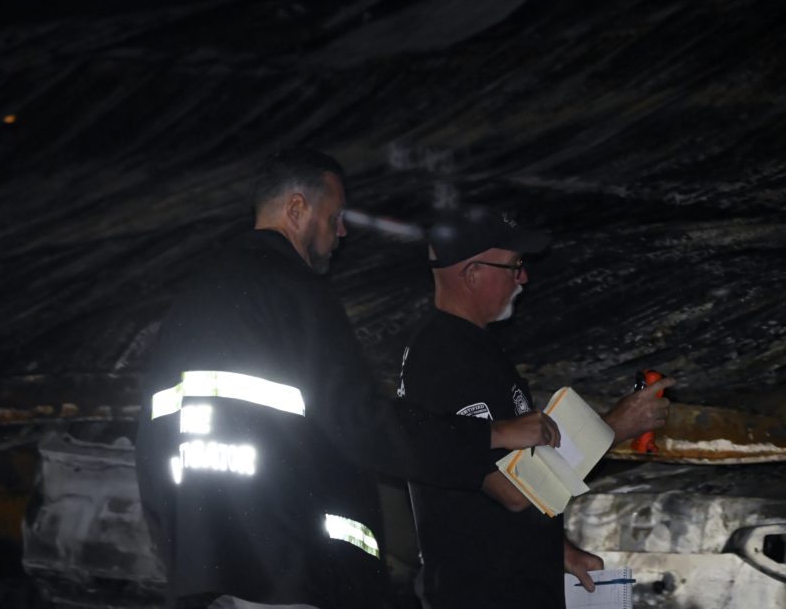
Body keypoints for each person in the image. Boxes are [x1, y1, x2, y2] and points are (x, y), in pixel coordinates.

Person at [135, 149, 562, 609]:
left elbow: (152, 437)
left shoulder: (193, 297)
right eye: (335, 216)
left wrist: (180, 552)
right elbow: (364, 423)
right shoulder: (296, 292)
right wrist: (491, 434)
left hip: (202, 572)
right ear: (296, 208)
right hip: (286, 572)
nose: (341, 232)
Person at [397, 205, 673, 609]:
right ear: (473, 274)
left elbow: (499, 483)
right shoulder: (447, 358)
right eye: (514, 265)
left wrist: (559, 551)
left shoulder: (471, 349)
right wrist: (614, 427)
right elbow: (510, 488)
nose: (523, 277)